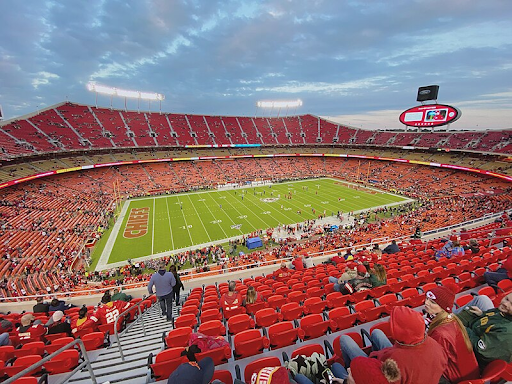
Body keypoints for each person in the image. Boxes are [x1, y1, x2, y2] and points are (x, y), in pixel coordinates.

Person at [339, 306, 447, 384]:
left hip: (379, 370)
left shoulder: (396, 360)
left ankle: (351, 374)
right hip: (412, 364)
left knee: (344, 340)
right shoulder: (434, 344)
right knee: (377, 333)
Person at [424, 286, 479, 383]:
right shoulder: (451, 319)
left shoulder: (441, 333)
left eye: (432, 302)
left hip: (456, 377)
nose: (426, 303)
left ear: (443, 307)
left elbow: (433, 361)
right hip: (465, 372)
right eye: (427, 299)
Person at [455, 292, 512, 366]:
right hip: (476, 329)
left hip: (473, 358)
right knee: (482, 299)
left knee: (450, 323)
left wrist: (462, 328)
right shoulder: (504, 312)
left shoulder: (506, 332)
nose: (506, 304)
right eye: (507, 299)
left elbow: (480, 351)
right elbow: (494, 317)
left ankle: (445, 318)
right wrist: (482, 315)